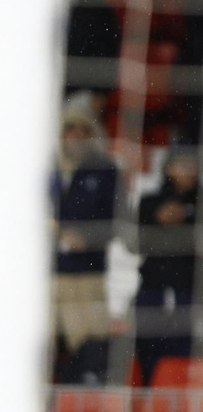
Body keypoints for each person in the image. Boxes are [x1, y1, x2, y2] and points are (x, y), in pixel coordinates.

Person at [52, 95, 118, 383]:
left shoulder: (105, 171)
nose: (76, 137)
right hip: (43, 276)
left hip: (85, 275)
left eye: (83, 131)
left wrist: (87, 238)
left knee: (90, 350)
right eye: (70, 129)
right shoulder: (45, 169)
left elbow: (118, 222)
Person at [133, 150, 201, 380]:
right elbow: (134, 244)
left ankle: (177, 399)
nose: (189, 170)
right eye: (182, 164)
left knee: (185, 347)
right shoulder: (150, 202)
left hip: (189, 288)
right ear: (168, 168)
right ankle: (147, 395)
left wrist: (188, 221)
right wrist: (157, 219)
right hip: (153, 285)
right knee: (147, 345)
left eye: (192, 164)